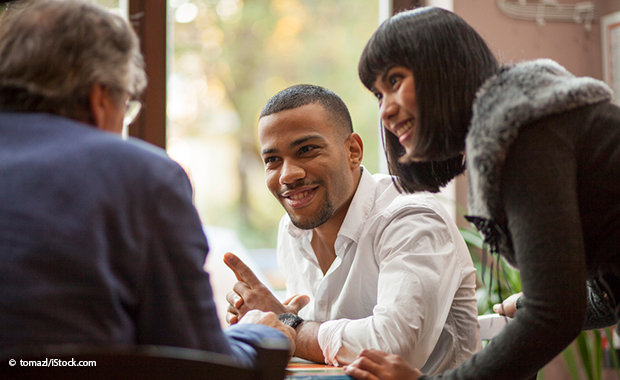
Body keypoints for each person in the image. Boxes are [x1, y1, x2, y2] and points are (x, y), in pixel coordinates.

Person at [0, 0, 295, 369]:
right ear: (99, 97)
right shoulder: (141, 177)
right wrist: (262, 332)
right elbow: (198, 363)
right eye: (126, 104)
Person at [345, 6, 620, 380]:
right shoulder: (531, 125)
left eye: (395, 81)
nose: (385, 111)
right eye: (378, 95)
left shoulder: (526, 138)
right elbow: (604, 294)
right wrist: (526, 304)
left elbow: (554, 315)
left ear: (443, 67)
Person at [224, 84, 481, 374]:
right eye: (272, 160)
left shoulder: (412, 217)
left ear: (353, 151)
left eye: (306, 150)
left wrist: (286, 325)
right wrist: (259, 321)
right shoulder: (292, 230)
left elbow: (393, 349)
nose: (288, 175)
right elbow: (316, 349)